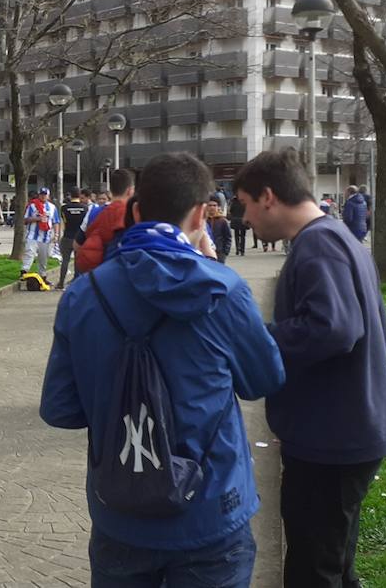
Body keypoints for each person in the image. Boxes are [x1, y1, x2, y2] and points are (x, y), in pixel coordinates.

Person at [40, 152, 285, 586]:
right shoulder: (224, 290)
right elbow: (263, 380)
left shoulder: (83, 296)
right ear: (201, 214)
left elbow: (61, 409)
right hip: (212, 508)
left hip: (121, 511)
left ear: (135, 211)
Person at [234, 148, 386, 588]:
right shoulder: (337, 236)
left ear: (268, 197)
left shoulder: (318, 244)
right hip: (347, 430)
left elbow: (334, 328)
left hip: (331, 438)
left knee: (313, 571)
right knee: (334, 565)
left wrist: (256, 337)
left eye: (245, 204)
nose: (244, 218)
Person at [76, 169, 135, 273]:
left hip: (97, 274)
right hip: (125, 272)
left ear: (110, 192)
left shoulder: (93, 211)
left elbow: (77, 244)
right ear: (130, 191)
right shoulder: (134, 214)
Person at [21, 188, 58, 281]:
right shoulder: (32, 206)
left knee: (43, 257)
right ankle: (24, 272)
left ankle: (43, 276)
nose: (43, 196)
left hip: (45, 237)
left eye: (45, 195)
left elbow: (56, 222)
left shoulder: (52, 207)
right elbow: (25, 220)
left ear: (48, 196)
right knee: (29, 253)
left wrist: (56, 234)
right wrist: (37, 219)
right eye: (41, 194)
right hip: (33, 235)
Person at [55, 190, 89, 289]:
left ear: (70, 195)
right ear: (79, 195)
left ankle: (61, 283)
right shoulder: (85, 208)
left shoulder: (64, 208)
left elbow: (63, 221)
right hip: (79, 238)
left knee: (65, 260)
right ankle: (76, 281)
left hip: (67, 236)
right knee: (77, 261)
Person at [206, 198, 232, 264]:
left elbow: (228, 237)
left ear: (218, 207)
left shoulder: (223, 221)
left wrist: (225, 252)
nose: (212, 207)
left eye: (214, 205)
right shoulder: (203, 220)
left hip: (219, 252)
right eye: (210, 205)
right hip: (206, 251)